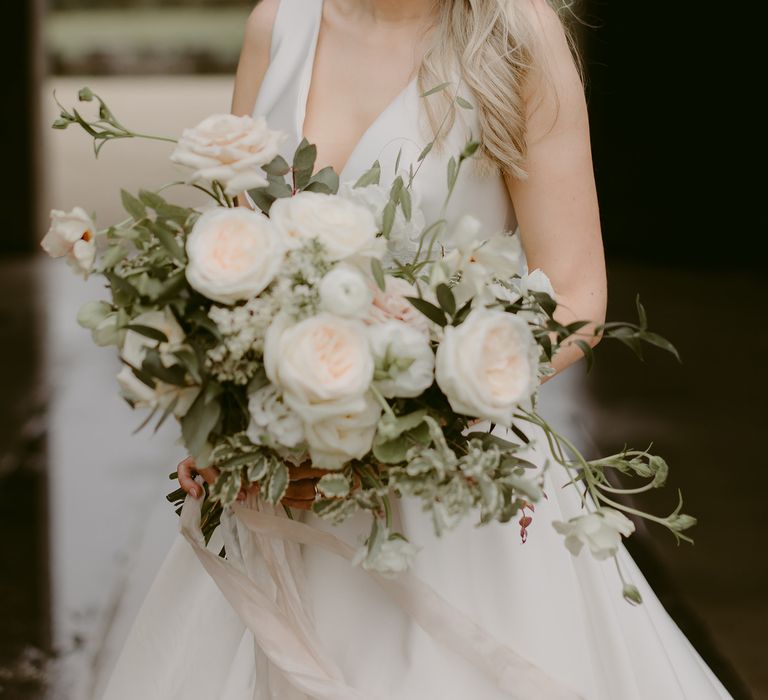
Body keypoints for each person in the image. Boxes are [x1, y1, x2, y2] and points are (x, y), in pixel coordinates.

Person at [101, 1, 733, 698]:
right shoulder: (278, 25)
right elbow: (235, 255)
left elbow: (576, 298)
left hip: (455, 481)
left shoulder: (518, 36)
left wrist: (407, 412)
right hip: (280, 481)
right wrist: (226, 417)